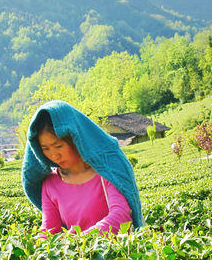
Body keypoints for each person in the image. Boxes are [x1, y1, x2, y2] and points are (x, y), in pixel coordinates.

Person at [21, 100, 144, 237]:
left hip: (114, 255)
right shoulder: (50, 184)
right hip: (78, 255)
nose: (54, 155)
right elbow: (50, 230)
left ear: (75, 139)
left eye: (58, 146)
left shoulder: (106, 172)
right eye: (45, 149)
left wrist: (81, 240)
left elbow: (121, 216)